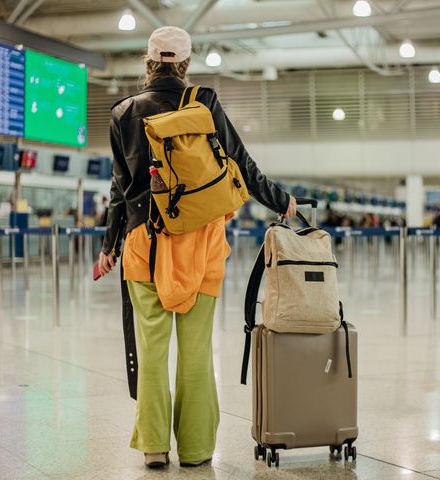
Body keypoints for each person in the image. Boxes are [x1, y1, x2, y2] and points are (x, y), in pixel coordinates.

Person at [97, 26, 297, 469]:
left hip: (142, 245)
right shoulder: (203, 103)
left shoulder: (123, 112)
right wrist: (281, 201)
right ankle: (196, 449)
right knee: (195, 350)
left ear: (148, 62)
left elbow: (119, 188)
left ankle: (153, 446)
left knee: (151, 350)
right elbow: (241, 163)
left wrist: (108, 245)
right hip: (201, 244)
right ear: (185, 64)